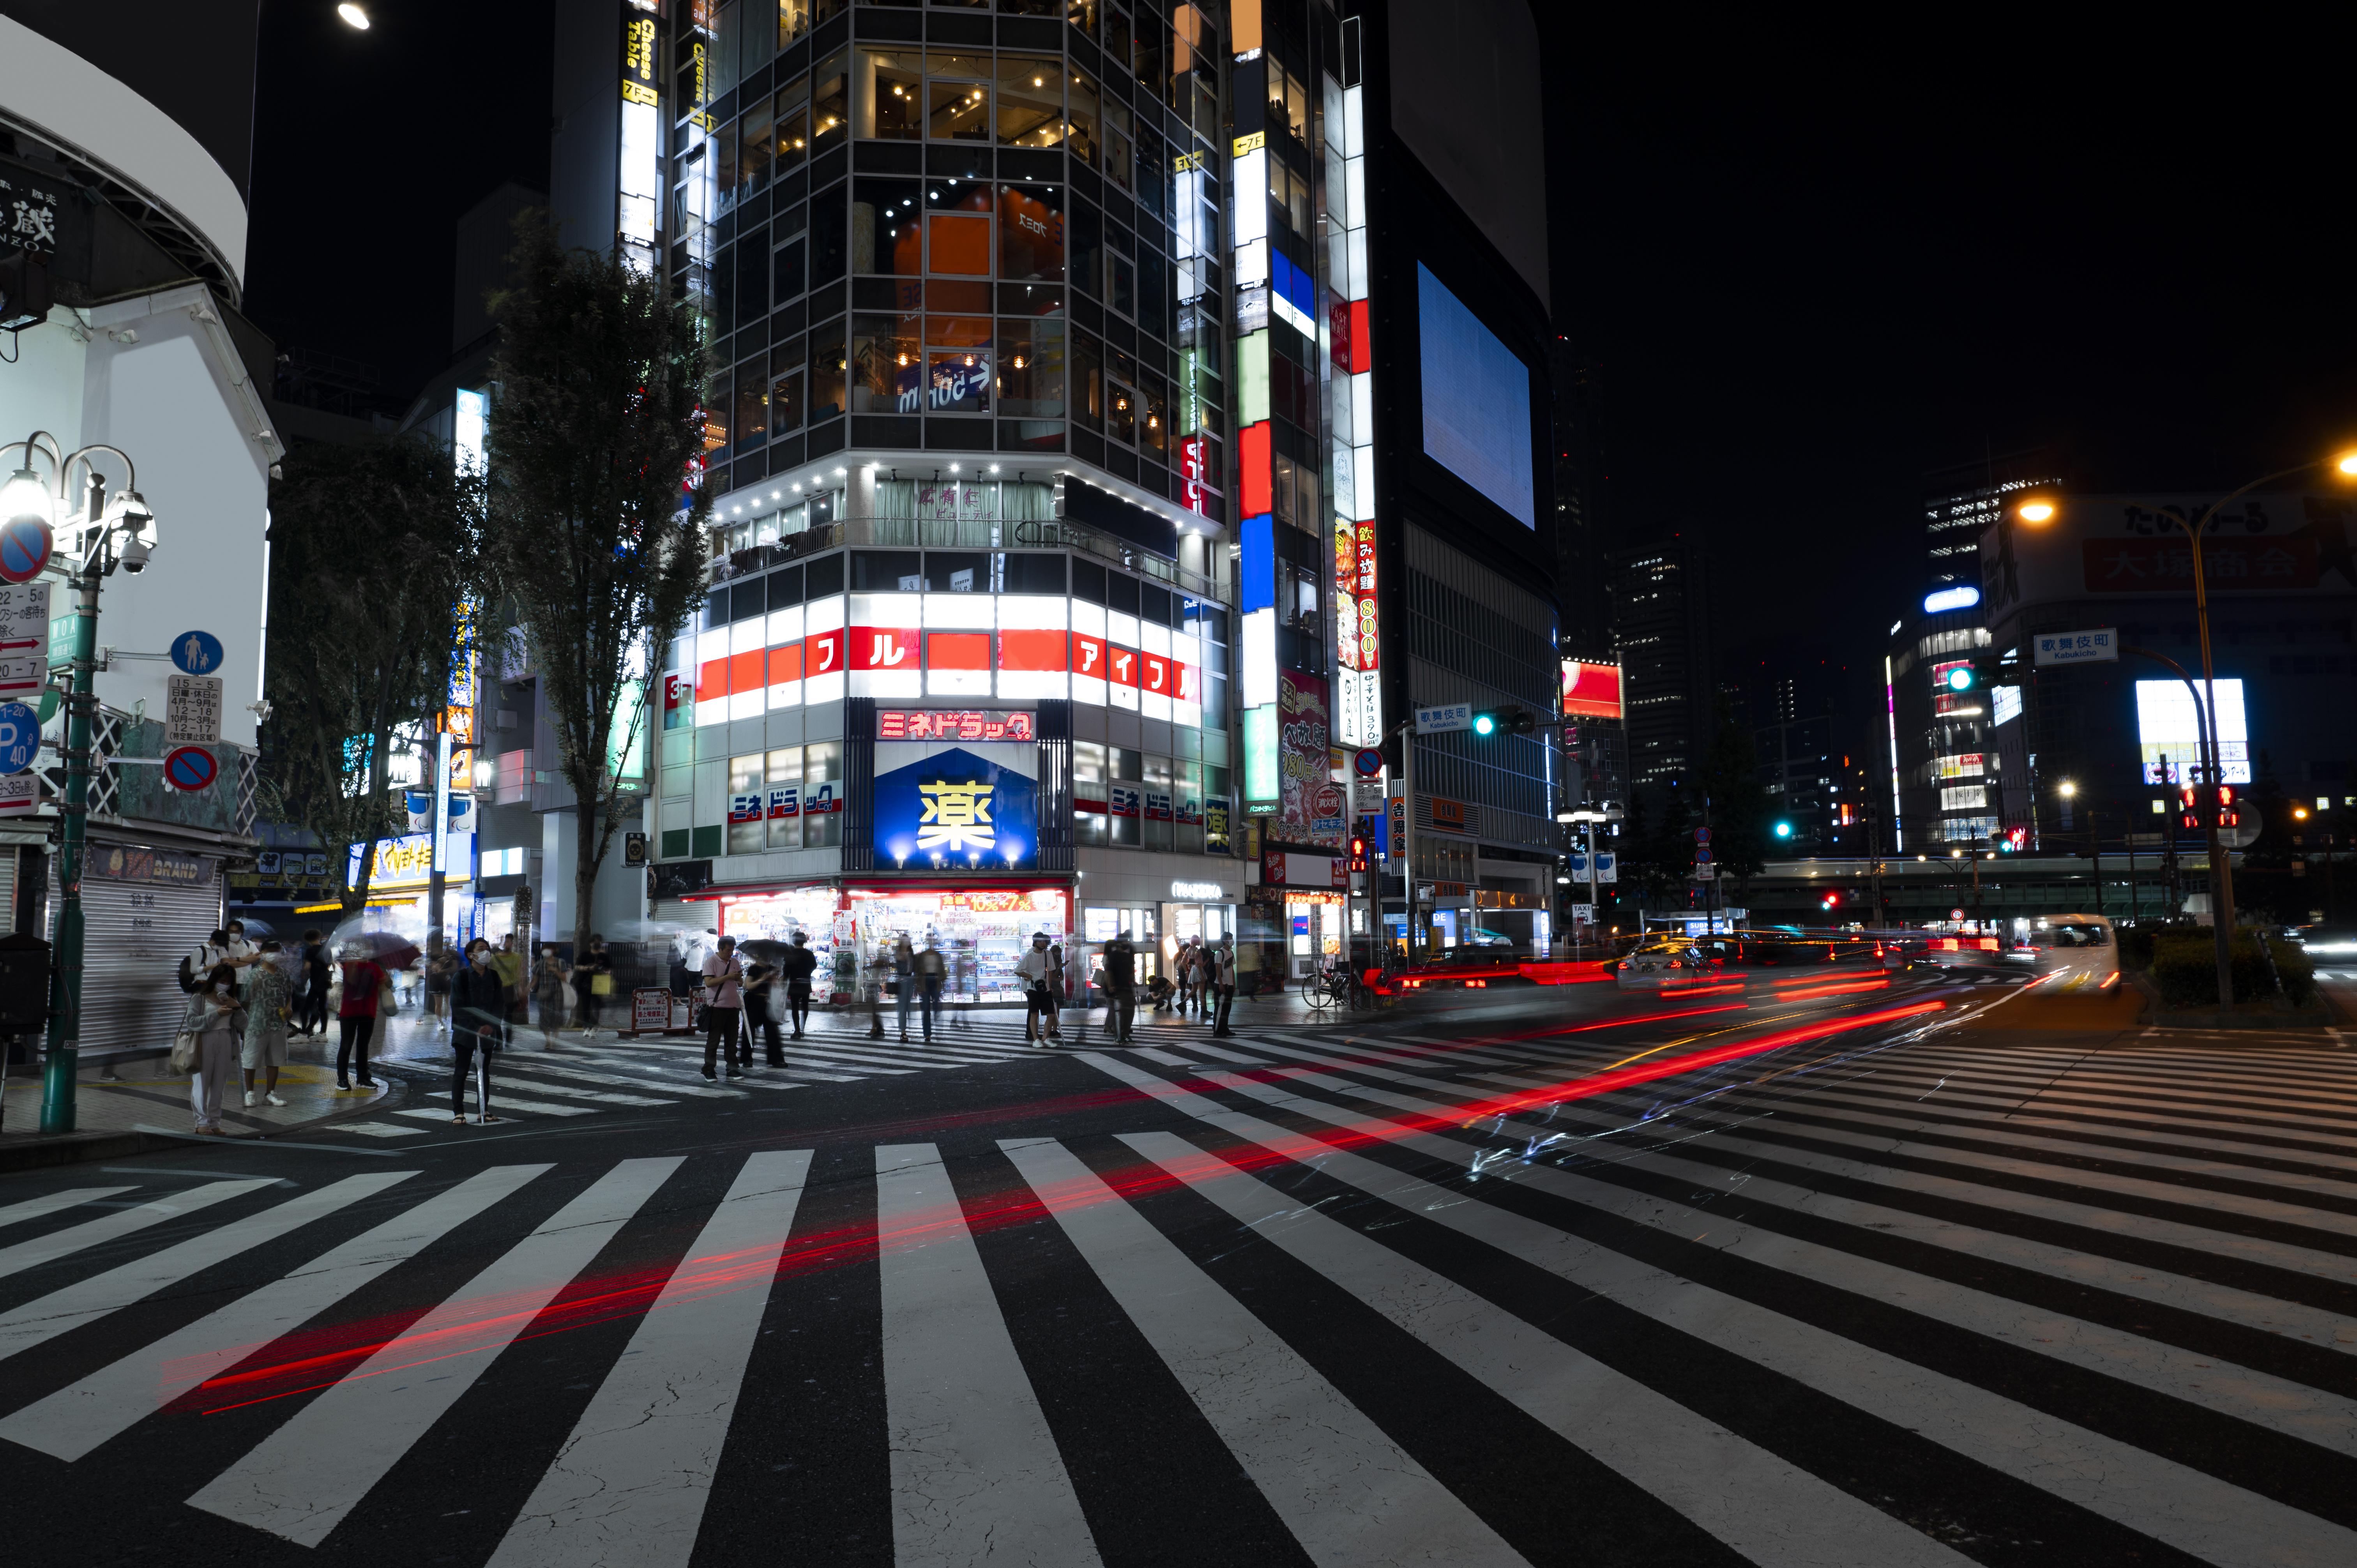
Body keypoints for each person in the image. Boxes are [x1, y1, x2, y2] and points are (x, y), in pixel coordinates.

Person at [449, 938, 508, 1124]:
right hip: (465, 1032)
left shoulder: (494, 976)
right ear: (471, 955)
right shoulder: (462, 977)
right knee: (462, 1071)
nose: (486, 953)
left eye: (487, 949)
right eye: (481, 949)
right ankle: (459, 1111)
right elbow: (458, 1007)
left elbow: (500, 1003)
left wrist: (492, 1024)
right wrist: (475, 1027)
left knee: (483, 1072)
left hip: (488, 1032)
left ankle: (484, 1109)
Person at [183, 961, 245, 1135]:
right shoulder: (200, 998)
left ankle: (215, 1122)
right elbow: (192, 1022)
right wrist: (216, 1014)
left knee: (219, 1085)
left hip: (226, 1040)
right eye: (222, 980)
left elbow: (244, 1024)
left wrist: (237, 1008)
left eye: (228, 981)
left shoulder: (231, 999)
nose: (224, 983)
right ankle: (201, 1123)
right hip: (205, 1040)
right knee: (201, 1083)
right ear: (214, 979)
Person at [239, 939, 292, 1107]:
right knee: (251, 1059)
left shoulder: (284, 974)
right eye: (270, 951)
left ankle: (270, 1094)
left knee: (275, 1060)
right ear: (262, 954)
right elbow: (244, 999)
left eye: (277, 950)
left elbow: (289, 994)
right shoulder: (254, 974)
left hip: (279, 1023)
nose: (274, 954)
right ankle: (250, 1093)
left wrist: (289, 1007)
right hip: (257, 1023)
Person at [335, 944, 385, 1091]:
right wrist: (354, 966)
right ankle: (342, 1080)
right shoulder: (348, 966)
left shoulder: (375, 967)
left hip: (368, 1012)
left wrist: (385, 977)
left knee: (363, 1047)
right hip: (349, 1012)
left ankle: (363, 1079)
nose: (364, 952)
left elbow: (387, 984)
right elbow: (350, 982)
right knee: (346, 1045)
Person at [700, 934, 748, 1080]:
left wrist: (739, 978)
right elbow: (709, 983)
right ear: (720, 949)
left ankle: (732, 1069)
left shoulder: (735, 962)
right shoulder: (711, 962)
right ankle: (709, 1070)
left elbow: (740, 983)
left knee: (732, 1041)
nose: (730, 953)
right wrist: (728, 977)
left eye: (732, 950)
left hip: (733, 1007)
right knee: (714, 1041)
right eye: (728, 950)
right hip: (717, 1007)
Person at [1016, 931, 1060, 1044]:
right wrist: (1029, 976)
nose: (1043, 943)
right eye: (1040, 941)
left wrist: (1050, 987)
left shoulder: (1048, 955)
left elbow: (1050, 972)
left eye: (1044, 941)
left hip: (1045, 988)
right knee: (1034, 1013)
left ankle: (1045, 1038)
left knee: (1050, 1014)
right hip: (1032, 988)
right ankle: (1035, 1038)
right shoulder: (1030, 955)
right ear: (1035, 942)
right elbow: (1019, 970)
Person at [744, 959, 786, 1066]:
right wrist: (763, 978)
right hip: (753, 1002)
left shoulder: (771, 969)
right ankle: (747, 1058)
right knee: (749, 1031)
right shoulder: (753, 969)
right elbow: (748, 986)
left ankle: (776, 1059)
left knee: (772, 1031)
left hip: (768, 1002)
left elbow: (777, 986)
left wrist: (774, 979)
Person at [570, 935, 613, 1035]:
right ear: (590, 943)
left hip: (600, 984)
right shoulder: (584, 955)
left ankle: (594, 1026)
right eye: (595, 942)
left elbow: (610, 970)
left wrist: (603, 970)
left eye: (599, 942)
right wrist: (588, 968)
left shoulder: (605, 957)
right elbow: (577, 967)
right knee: (586, 1007)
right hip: (585, 984)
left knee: (596, 1006)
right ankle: (587, 1027)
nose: (597, 944)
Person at [1101, 929, 1138, 1044]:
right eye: (1125, 941)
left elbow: (1131, 970)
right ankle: (1119, 1036)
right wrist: (1111, 986)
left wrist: (1133, 980)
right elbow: (1108, 972)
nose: (1127, 943)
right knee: (1119, 1011)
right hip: (1117, 988)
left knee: (1130, 1011)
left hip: (1127, 988)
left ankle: (1126, 1034)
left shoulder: (1129, 955)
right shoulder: (1113, 956)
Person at [780, 931, 817, 1039]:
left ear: (794, 941)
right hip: (806, 983)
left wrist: (785, 979)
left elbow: (786, 971)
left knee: (795, 1008)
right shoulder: (810, 954)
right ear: (804, 941)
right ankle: (803, 1028)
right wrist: (807, 973)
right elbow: (814, 966)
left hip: (794, 984)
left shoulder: (790, 955)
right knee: (805, 1007)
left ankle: (797, 1030)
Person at [298, 929, 332, 1036]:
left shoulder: (310, 951)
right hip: (325, 981)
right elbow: (328, 965)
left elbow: (308, 967)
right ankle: (322, 1032)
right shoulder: (327, 950)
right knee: (322, 1007)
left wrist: (303, 971)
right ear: (319, 937)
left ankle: (304, 1031)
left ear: (308, 940)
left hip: (315, 981)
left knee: (306, 1008)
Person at [913, 939, 947, 1042]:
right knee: (926, 1009)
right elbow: (917, 969)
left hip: (935, 981)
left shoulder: (937, 956)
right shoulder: (923, 956)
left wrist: (941, 978)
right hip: (925, 981)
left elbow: (942, 969)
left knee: (937, 1007)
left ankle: (937, 1029)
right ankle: (927, 1034)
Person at [491, 935, 527, 1032]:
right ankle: (499, 1041)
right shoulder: (495, 958)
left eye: (508, 942)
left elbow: (519, 975)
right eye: (505, 942)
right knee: (497, 1016)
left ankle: (508, 1037)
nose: (505, 944)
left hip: (509, 990)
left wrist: (520, 990)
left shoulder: (517, 958)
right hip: (497, 989)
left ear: (512, 944)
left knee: (508, 1015)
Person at [533, 945, 569, 1039]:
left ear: (553, 951)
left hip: (557, 995)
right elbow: (535, 980)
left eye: (547, 949)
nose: (545, 951)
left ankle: (554, 1039)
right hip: (544, 994)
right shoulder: (540, 964)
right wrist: (527, 989)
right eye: (543, 949)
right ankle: (548, 1040)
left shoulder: (561, 962)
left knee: (557, 1016)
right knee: (544, 1016)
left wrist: (556, 971)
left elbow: (564, 978)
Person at [424, 943, 458, 1038]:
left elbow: (454, 968)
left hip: (445, 983)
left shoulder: (451, 959)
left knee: (447, 1003)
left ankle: (445, 1021)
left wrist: (442, 969)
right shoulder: (435, 959)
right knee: (440, 1004)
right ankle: (441, 1022)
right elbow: (433, 969)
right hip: (438, 983)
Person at [1209, 936, 1239, 1037]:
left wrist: (1234, 984)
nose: (1232, 940)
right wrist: (1221, 984)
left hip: (1229, 985)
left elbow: (1232, 969)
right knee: (1220, 1009)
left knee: (1227, 1009)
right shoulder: (1220, 953)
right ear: (1225, 941)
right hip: (1221, 985)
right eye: (1230, 938)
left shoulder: (1231, 953)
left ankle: (1225, 1029)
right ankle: (1217, 1031)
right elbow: (1218, 970)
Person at [892, 934, 916, 1042]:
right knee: (902, 1007)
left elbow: (913, 967)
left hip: (910, 981)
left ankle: (907, 1029)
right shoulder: (899, 953)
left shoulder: (910, 953)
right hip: (902, 981)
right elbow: (899, 967)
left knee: (909, 1007)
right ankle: (903, 1032)